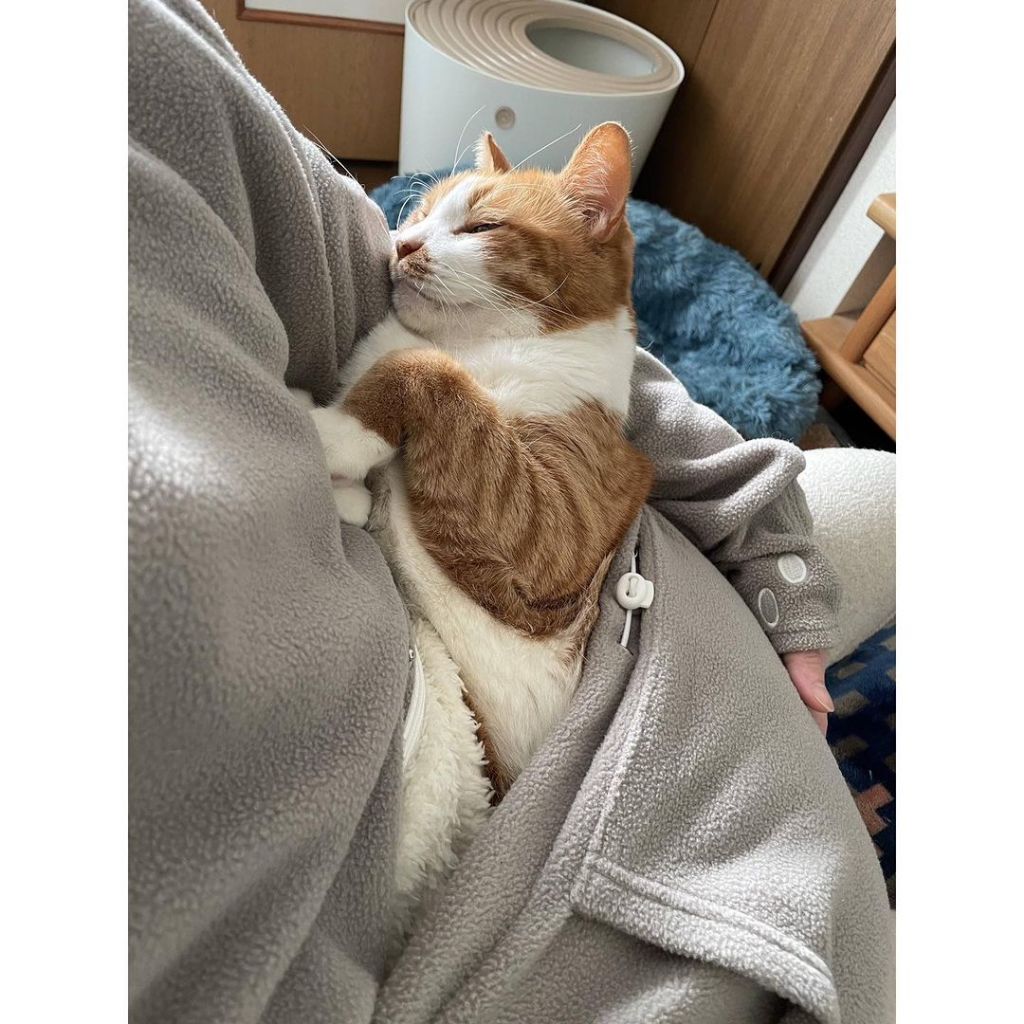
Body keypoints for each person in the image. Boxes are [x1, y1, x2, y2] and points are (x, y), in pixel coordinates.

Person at [129, 2, 893, 1021]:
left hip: (655, 602)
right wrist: (421, 396)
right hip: (626, 775)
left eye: (467, 222)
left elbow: (603, 386)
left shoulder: (158, 87)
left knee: (888, 496)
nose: (407, 244)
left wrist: (780, 562)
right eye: (421, 218)